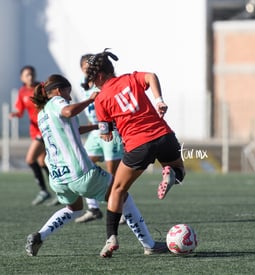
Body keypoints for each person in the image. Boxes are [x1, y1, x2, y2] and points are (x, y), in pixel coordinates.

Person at [25, 74, 168, 257]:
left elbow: (71, 129)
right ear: (59, 91)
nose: (69, 97)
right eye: (68, 93)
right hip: (80, 172)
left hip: (58, 177)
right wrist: (90, 100)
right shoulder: (57, 102)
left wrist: (93, 127)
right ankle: (149, 244)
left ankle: (40, 236)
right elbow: (68, 111)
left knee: (74, 209)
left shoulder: (42, 113)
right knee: (121, 194)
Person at [82, 49, 185, 257]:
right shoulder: (131, 78)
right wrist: (158, 101)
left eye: (93, 79)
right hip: (164, 135)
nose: (93, 83)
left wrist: (106, 134)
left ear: (100, 76)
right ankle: (169, 173)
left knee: (117, 190)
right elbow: (151, 76)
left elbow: (105, 132)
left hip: (138, 146)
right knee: (180, 172)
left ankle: (111, 238)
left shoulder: (101, 98)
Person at [74, 54, 124, 223]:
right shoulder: (83, 83)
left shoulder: (102, 79)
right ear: (82, 68)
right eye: (87, 67)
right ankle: (94, 209)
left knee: (113, 173)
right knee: (84, 167)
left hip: (111, 129)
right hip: (96, 131)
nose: (91, 70)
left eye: (92, 67)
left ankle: (121, 210)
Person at [10, 66, 52, 205]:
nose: (30, 77)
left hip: (44, 129)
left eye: (32, 74)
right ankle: (59, 190)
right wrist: (15, 114)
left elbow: (50, 103)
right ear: (22, 78)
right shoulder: (22, 92)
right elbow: (20, 110)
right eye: (27, 75)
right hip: (34, 131)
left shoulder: (41, 87)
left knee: (30, 159)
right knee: (42, 162)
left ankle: (44, 191)